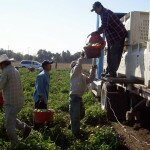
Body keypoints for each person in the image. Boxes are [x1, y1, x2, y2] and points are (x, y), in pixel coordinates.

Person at [0, 54, 31, 146]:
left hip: (11, 102)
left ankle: (15, 144)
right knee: (11, 117)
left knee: (8, 125)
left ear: (2, 64)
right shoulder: (14, 70)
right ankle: (25, 127)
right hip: (18, 100)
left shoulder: (6, 71)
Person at [91, 1, 127, 77]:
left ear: (100, 7)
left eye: (95, 10)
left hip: (119, 36)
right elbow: (106, 28)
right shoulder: (103, 14)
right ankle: (108, 71)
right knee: (110, 54)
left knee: (114, 54)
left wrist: (97, 32)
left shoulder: (105, 13)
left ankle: (112, 73)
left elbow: (104, 26)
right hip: (112, 38)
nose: (95, 12)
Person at [69, 52, 96, 136]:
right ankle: (76, 133)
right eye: (76, 65)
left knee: (81, 114)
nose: (78, 66)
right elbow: (78, 66)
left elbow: (90, 79)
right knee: (76, 116)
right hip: (74, 97)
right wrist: (81, 57)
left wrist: (93, 70)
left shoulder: (82, 76)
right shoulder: (74, 73)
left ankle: (72, 124)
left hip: (79, 97)